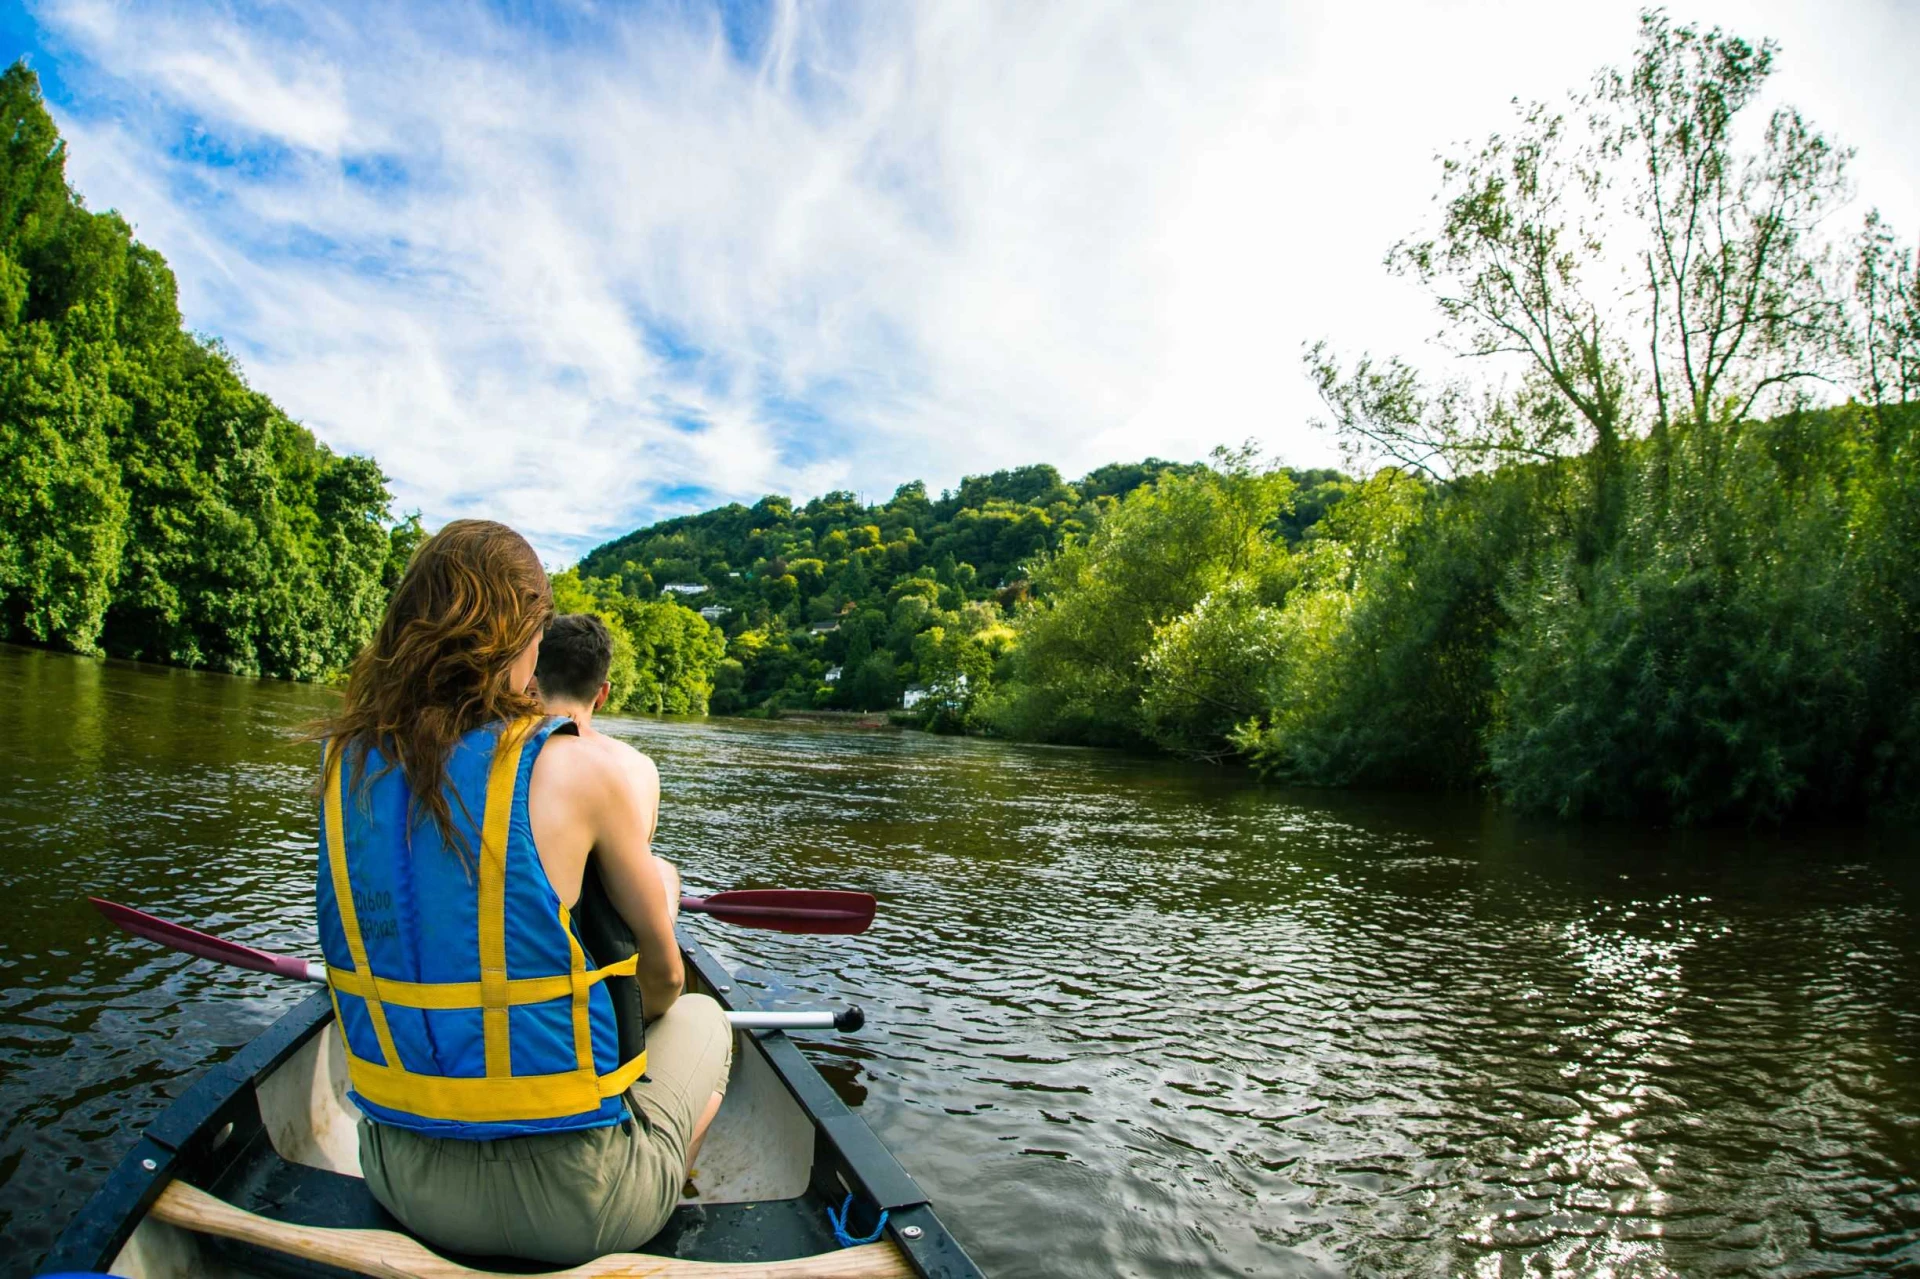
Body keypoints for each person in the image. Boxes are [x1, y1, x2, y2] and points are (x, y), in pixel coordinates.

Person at [313, 520, 730, 1265]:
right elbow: (660, 984)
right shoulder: (578, 769)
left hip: (398, 1178)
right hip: (573, 1210)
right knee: (704, 1017)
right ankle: (665, 1177)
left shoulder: (345, 764)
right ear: (519, 638)